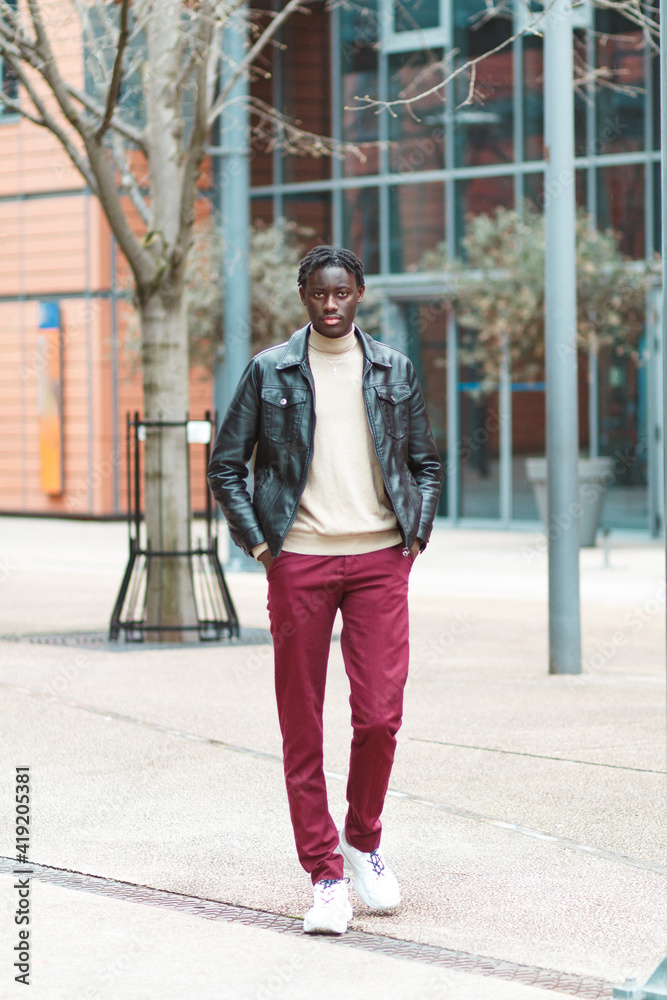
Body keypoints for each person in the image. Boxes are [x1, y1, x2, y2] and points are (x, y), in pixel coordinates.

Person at [207, 246, 442, 935]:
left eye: (341, 293)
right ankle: (324, 876)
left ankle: (362, 839)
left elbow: (424, 462)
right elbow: (227, 466)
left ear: (360, 293)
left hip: (377, 561)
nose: (330, 305)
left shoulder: (393, 369)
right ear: (303, 296)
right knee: (300, 722)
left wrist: (414, 536)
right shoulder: (268, 370)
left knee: (377, 716)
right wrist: (260, 545)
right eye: (318, 294)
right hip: (299, 560)